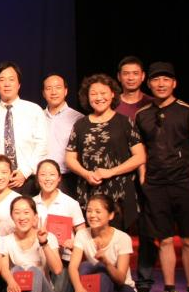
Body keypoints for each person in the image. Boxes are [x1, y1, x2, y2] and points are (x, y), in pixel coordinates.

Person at [134, 62, 189, 292]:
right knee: (164, 240)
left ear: (174, 83)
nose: (161, 84)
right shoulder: (142, 114)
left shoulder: (186, 111)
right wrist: (143, 177)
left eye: (166, 79)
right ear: (149, 83)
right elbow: (140, 149)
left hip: (184, 183)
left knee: (188, 240)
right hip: (155, 185)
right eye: (156, 80)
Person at [65, 74, 146, 236]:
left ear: (112, 94)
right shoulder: (80, 125)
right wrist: (86, 174)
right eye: (93, 93)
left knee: (117, 240)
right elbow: (70, 158)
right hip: (90, 190)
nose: (99, 97)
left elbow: (140, 157)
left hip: (119, 193)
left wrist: (111, 172)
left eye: (103, 93)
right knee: (92, 242)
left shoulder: (125, 122)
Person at [69, 194, 138, 292]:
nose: (92, 215)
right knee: (86, 266)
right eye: (89, 211)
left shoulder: (123, 238)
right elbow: (73, 267)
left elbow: (120, 279)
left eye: (98, 211)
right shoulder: (82, 234)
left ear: (110, 215)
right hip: (94, 291)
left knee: (102, 271)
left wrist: (106, 262)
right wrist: (78, 288)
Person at [0, 196, 64, 292]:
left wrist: (43, 243)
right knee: (16, 269)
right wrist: (10, 282)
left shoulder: (48, 237)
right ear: (12, 217)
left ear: (35, 217)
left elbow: (57, 269)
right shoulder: (5, 240)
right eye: (17, 213)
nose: (22, 217)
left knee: (33, 269)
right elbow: (4, 268)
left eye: (26, 212)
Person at [0, 62, 48, 195]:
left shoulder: (34, 110)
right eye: (2, 80)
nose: (7, 84)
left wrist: (25, 172)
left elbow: (42, 145)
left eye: (11, 79)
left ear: (19, 84)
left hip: (28, 180)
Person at [33, 159, 84, 292]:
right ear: (37, 178)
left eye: (52, 174)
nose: (47, 178)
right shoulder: (31, 203)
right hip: (38, 259)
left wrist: (74, 243)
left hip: (64, 260)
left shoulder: (71, 203)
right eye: (43, 174)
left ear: (59, 178)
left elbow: (82, 234)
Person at [42, 74, 84, 198]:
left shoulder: (78, 119)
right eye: (49, 88)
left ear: (65, 91)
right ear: (43, 93)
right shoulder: (37, 117)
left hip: (67, 179)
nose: (53, 92)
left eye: (58, 87)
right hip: (41, 179)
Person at [115, 56, 153, 121]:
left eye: (135, 73)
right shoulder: (111, 103)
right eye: (126, 74)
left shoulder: (152, 103)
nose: (131, 78)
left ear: (143, 76)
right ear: (119, 76)